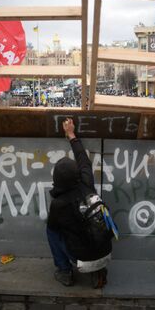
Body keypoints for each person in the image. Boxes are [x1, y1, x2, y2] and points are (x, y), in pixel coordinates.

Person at [47, 118, 112, 288]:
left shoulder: (58, 204)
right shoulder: (86, 182)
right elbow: (83, 158)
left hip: (80, 257)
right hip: (106, 252)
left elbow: (56, 229)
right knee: (90, 230)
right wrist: (71, 134)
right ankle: (99, 271)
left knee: (52, 230)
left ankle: (64, 271)